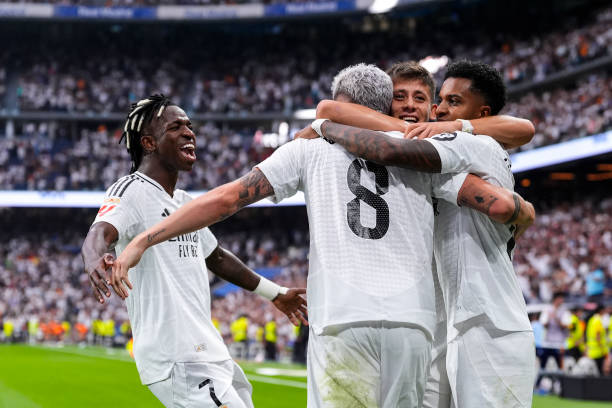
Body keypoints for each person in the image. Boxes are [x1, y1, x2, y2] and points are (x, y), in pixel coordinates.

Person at [111, 65, 533, 407]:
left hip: (341, 320)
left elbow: (226, 199)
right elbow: (492, 201)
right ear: (384, 104)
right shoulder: (423, 153)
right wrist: (522, 209)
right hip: (413, 324)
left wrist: (145, 238)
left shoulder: (308, 148)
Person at [304, 60, 537, 407]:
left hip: (485, 321)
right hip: (435, 325)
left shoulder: (457, 143)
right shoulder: (414, 163)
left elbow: (522, 132)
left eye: (426, 99)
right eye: (400, 97)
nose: (423, 106)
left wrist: (326, 126)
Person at [80, 94, 307, 408]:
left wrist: (275, 293)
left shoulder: (185, 203)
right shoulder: (130, 190)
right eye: (176, 127)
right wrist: (95, 257)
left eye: (189, 125)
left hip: (207, 349)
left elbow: (217, 258)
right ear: (148, 142)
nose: (189, 133)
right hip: (175, 354)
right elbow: (100, 231)